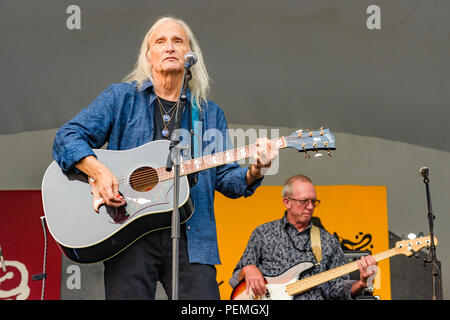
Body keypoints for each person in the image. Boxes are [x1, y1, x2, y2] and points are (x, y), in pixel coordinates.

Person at [52, 16, 278, 300]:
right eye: (160, 41)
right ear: (149, 55)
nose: (169, 47)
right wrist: (99, 172)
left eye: (178, 41)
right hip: (129, 233)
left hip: (192, 237)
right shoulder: (122, 98)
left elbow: (225, 179)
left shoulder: (208, 114)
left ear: (190, 54)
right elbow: (66, 137)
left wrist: (257, 169)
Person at [229, 174, 377, 300]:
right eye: (304, 201)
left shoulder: (328, 242)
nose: (310, 206)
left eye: (313, 201)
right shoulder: (263, 233)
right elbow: (235, 279)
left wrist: (362, 283)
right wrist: (248, 269)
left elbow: (336, 290)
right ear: (287, 202)